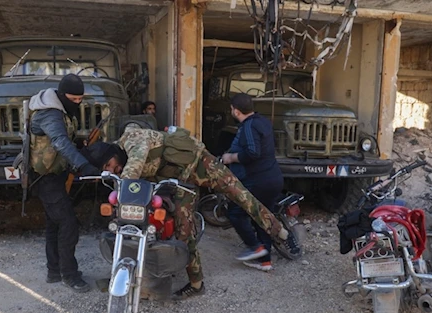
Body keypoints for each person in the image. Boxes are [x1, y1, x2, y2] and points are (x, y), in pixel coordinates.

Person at [88, 126, 291, 300]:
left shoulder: (133, 142)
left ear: (113, 154)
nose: (112, 169)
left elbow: (135, 166)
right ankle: (196, 284)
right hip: (180, 181)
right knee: (184, 230)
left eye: (109, 164)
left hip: (202, 165)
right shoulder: (118, 151)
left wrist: (123, 185)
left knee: (241, 196)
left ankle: (278, 230)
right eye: (106, 168)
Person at [28, 73, 99, 292]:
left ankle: (54, 271)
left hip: (54, 175)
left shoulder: (59, 109)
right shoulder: (50, 113)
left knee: (54, 224)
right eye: (73, 99)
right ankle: (69, 275)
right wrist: (83, 165)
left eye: (80, 100)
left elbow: (62, 140)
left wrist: (80, 144)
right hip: (45, 178)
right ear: (61, 95)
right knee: (68, 224)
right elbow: (59, 141)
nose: (77, 103)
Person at [222, 93, 300, 271]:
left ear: (235, 110)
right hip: (273, 178)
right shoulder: (263, 121)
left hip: (258, 180)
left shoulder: (249, 126)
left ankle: (255, 247)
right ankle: (265, 261)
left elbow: (253, 152)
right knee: (263, 217)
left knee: (235, 213)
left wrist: (231, 157)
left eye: (231, 108)